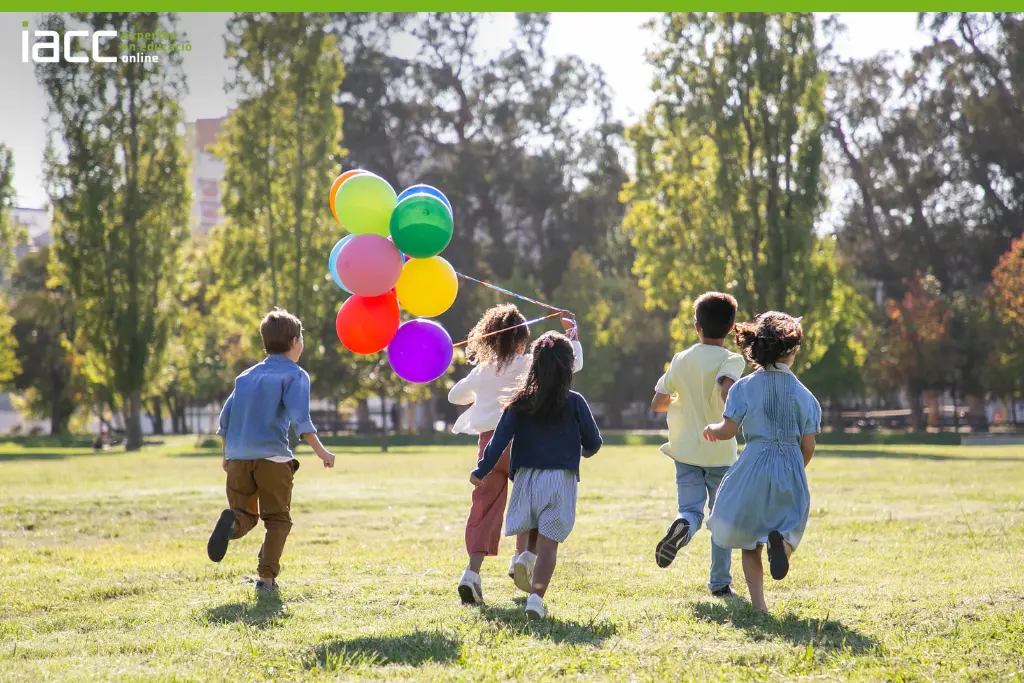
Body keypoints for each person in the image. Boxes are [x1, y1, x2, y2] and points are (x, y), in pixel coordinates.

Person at [449, 304, 583, 605]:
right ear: (522, 341)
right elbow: (572, 364)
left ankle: (472, 573)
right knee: (532, 502)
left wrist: (480, 388)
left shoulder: (482, 371)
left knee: (484, 508)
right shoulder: (528, 364)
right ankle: (522, 557)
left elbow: (453, 396)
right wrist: (572, 334)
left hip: (489, 448)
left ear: (489, 341)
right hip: (523, 444)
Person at [470, 332, 602, 619]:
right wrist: (585, 451)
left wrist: (481, 470)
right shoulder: (575, 401)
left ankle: (525, 557)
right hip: (560, 480)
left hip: (526, 479)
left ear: (534, 365)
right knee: (549, 544)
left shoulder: (519, 402)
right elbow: (594, 441)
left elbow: (498, 442)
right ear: (568, 367)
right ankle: (535, 599)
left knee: (532, 525)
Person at [207, 308, 336, 594]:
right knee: (277, 519)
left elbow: (225, 418)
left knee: (245, 514)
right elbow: (301, 420)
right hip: (273, 459)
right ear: (294, 342)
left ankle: (232, 525)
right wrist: (322, 452)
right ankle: (265, 579)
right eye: (301, 338)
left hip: (239, 458)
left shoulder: (246, 376)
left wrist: (227, 454)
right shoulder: (295, 375)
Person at [703, 311, 820, 613]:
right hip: (790, 464)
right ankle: (782, 547)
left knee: (748, 539)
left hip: (753, 465)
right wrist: (796, 468)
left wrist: (712, 429)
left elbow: (728, 431)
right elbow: (808, 445)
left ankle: (759, 607)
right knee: (790, 525)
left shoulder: (742, 387)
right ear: (793, 351)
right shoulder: (805, 395)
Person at [651, 292, 746, 597]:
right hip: (719, 451)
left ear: (696, 327)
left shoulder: (681, 359)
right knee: (721, 518)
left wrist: (682, 402)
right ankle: (719, 583)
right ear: (732, 329)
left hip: (685, 450)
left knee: (690, 510)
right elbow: (727, 389)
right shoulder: (733, 358)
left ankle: (682, 526)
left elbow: (658, 403)